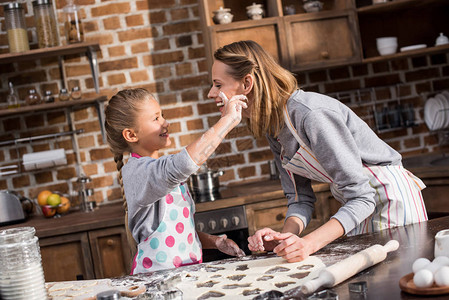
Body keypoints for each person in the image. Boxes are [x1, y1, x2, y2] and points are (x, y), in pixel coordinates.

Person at [207, 40, 427, 262]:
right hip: (357, 206)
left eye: (218, 84)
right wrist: (285, 238)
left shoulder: (311, 115)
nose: (210, 93)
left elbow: (361, 196)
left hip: (390, 198)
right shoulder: (273, 128)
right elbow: (299, 198)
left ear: (247, 83)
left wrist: (308, 244)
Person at [104, 88, 247, 274]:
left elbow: (178, 233)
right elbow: (184, 164)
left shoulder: (159, 171)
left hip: (184, 277)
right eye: (156, 118)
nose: (166, 123)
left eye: (162, 115)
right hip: (156, 282)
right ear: (131, 135)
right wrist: (227, 120)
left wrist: (215, 242)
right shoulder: (138, 172)